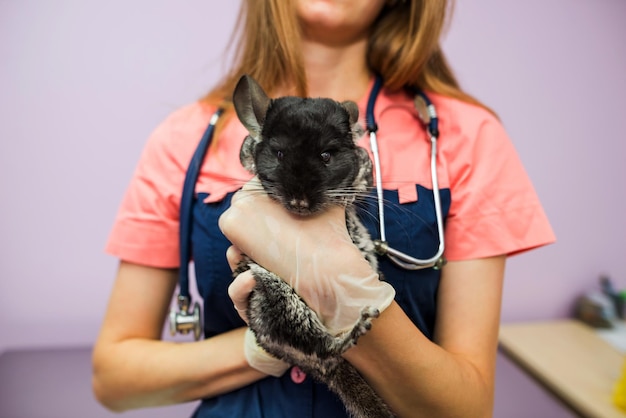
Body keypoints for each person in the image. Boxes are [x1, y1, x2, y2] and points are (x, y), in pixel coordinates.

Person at [92, 0, 556, 417]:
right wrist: (269, 344)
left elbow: (466, 408)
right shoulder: (184, 140)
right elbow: (116, 379)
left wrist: (352, 303)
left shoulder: (466, 137)